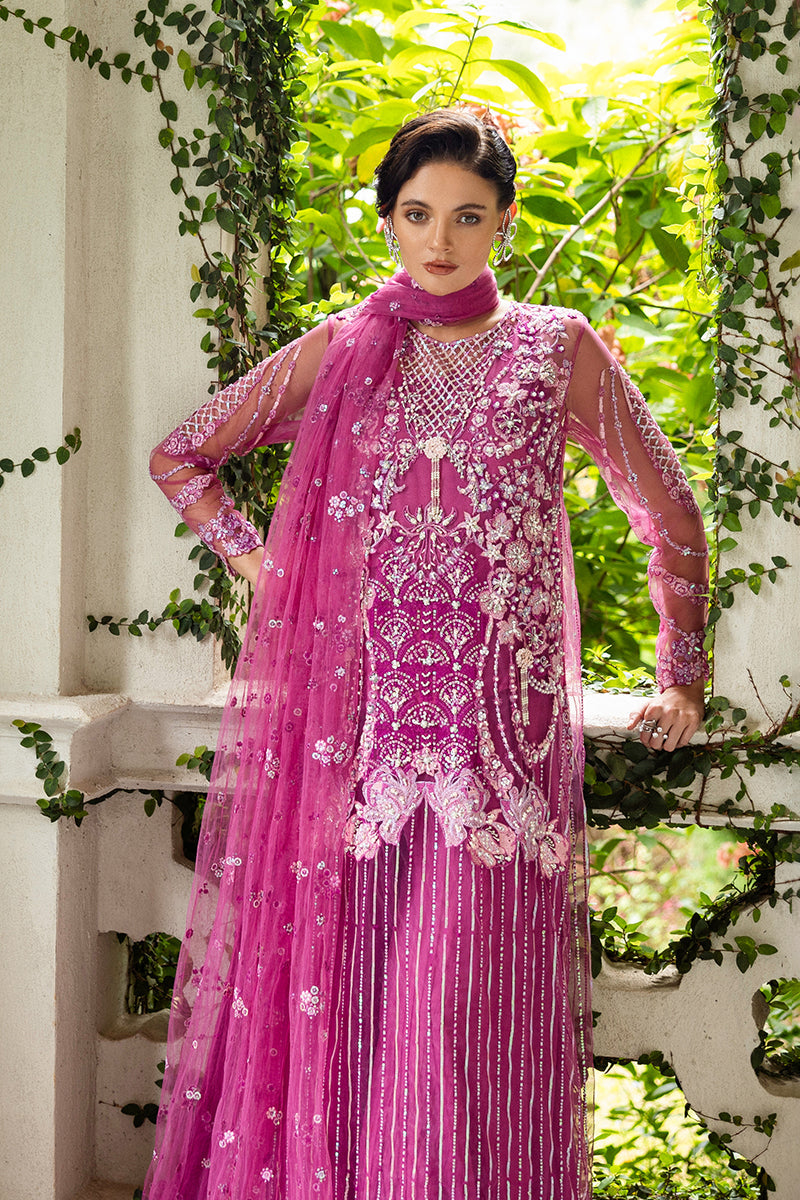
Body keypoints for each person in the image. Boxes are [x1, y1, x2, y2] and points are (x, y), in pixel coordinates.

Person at [144, 108, 706, 1200]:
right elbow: (183, 457)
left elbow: (669, 510)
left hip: (499, 747)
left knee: (459, 1014)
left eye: (466, 217)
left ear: (504, 221)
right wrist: (265, 566)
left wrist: (679, 673)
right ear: (388, 220)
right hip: (355, 736)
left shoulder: (557, 348)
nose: (439, 241)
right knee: (350, 1007)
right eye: (416, 214)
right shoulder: (345, 347)